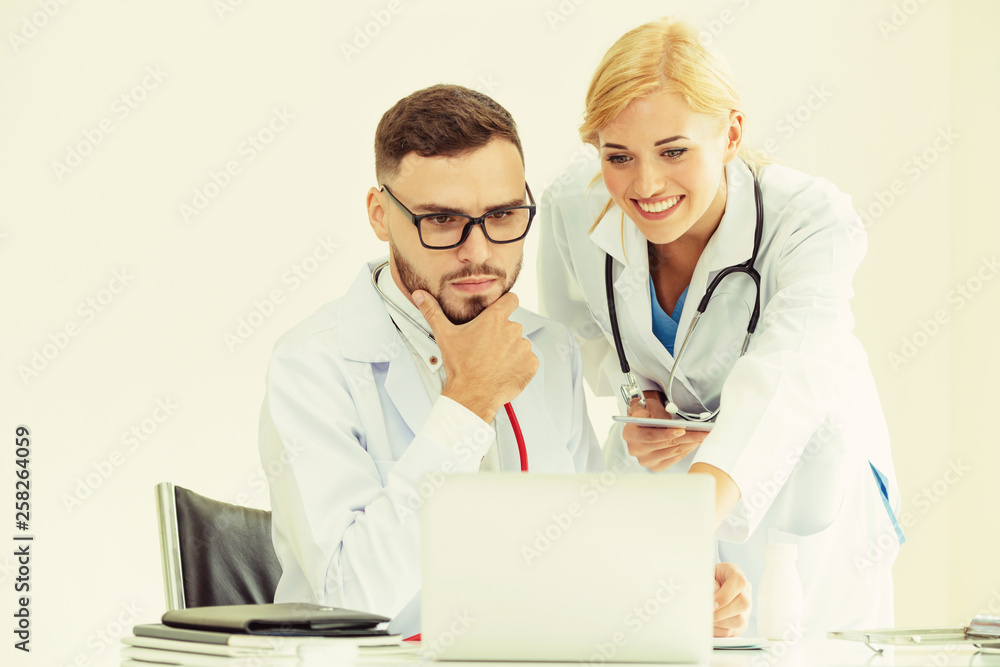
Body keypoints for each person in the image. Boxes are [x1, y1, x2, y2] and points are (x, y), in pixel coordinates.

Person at [258, 84, 752, 640]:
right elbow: (348, 602)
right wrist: (467, 403)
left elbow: (586, 557)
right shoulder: (313, 364)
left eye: (502, 214)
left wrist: (672, 591)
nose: (479, 252)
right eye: (441, 220)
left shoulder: (550, 349)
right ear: (380, 214)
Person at [538, 19, 902, 637]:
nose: (645, 185)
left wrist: (680, 530)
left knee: (796, 641)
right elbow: (583, 338)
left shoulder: (809, 220)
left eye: (674, 151)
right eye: (617, 156)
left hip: (801, 486)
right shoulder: (574, 204)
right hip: (666, 483)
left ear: (731, 133)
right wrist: (637, 399)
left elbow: (789, 375)